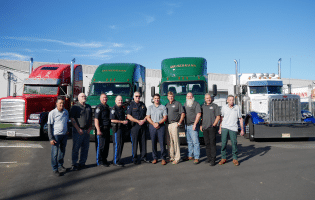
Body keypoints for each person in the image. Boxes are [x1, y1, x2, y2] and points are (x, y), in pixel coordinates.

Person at [218, 95, 244, 166]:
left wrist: (242, 129)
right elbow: (221, 118)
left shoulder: (237, 107)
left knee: (234, 144)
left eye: (232, 100)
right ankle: (223, 158)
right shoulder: (224, 107)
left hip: (233, 128)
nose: (231, 101)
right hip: (225, 127)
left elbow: (240, 119)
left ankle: (235, 159)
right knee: (223, 143)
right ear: (227, 101)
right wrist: (220, 128)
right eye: (230, 100)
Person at [70, 93, 93, 170]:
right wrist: (78, 129)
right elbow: (72, 119)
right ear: (78, 98)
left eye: (85, 96)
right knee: (76, 148)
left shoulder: (88, 106)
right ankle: (74, 164)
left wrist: (90, 127)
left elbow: (91, 118)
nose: (84, 97)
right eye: (82, 96)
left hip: (87, 131)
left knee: (85, 148)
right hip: (78, 131)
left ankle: (82, 163)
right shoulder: (75, 107)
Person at [48, 96, 69, 177]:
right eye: (60, 103)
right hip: (56, 136)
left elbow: (67, 122)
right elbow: (49, 126)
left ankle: (60, 166)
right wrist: (51, 138)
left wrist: (67, 131)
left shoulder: (66, 112)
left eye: (63, 103)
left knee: (62, 152)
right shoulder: (52, 113)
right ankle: (55, 169)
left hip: (64, 135)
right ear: (56, 104)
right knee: (54, 153)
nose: (62, 105)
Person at [127, 91, 149, 164]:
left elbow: (147, 114)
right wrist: (137, 121)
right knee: (135, 142)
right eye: (136, 96)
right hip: (135, 126)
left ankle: (143, 157)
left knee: (143, 142)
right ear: (133, 97)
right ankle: (134, 158)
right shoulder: (131, 105)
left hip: (143, 125)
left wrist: (144, 120)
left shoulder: (142, 104)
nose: (138, 97)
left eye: (139, 96)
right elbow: (128, 116)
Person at [146, 94, 168, 165]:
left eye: (158, 98)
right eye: (155, 98)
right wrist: (153, 124)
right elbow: (148, 117)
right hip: (152, 126)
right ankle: (155, 158)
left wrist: (158, 123)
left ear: (159, 99)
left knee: (162, 143)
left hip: (161, 126)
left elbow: (165, 117)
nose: (156, 100)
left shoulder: (163, 107)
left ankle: (163, 158)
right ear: (153, 99)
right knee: (153, 142)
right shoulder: (150, 107)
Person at [200, 94, 220, 166]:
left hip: (212, 127)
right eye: (207, 98)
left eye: (209, 98)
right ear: (205, 99)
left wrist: (214, 124)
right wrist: (201, 125)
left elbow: (218, 116)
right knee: (207, 143)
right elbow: (201, 117)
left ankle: (213, 159)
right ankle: (208, 158)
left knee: (212, 143)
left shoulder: (215, 106)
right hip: (205, 128)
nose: (208, 99)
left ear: (211, 99)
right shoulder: (203, 107)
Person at [165, 91, 185, 164]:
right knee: (170, 142)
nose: (171, 97)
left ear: (174, 96)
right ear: (167, 97)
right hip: (168, 124)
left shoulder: (177, 103)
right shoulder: (166, 105)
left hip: (175, 124)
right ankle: (172, 157)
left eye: (172, 96)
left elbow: (182, 114)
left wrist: (179, 123)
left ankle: (177, 158)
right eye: (169, 96)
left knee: (176, 142)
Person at [183, 92, 202, 164]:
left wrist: (195, 124)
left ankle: (196, 157)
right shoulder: (186, 104)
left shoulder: (196, 104)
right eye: (188, 96)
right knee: (189, 142)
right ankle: (190, 155)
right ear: (186, 97)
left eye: (190, 96)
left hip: (193, 125)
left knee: (195, 142)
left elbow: (199, 114)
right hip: (186, 125)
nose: (189, 97)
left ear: (193, 97)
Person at [110, 95, 128, 167]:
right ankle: (115, 161)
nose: (120, 101)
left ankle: (118, 159)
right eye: (119, 100)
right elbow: (112, 120)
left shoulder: (121, 108)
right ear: (115, 101)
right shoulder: (113, 109)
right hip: (117, 129)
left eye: (121, 100)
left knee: (120, 145)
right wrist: (122, 122)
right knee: (117, 145)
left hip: (121, 129)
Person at [95, 93, 111, 167]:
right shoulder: (99, 107)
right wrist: (98, 130)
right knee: (101, 146)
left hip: (107, 129)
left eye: (106, 97)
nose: (105, 99)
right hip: (101, 129)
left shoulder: (107, 107)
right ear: (100, 99)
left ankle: (104, 159)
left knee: (106, 145)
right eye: (103, 98)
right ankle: (100, 161)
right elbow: (96, 119)